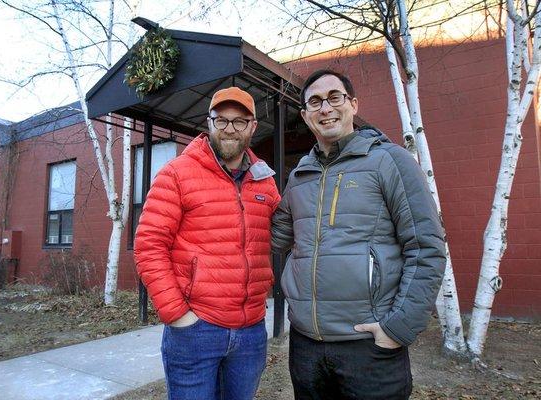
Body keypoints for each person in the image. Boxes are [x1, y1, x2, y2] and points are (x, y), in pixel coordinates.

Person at [271, 69, 446, 400]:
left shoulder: (391, 160)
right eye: (315, 102)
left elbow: (426, 247)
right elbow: (273, 237)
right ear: (306, 115)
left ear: (352, 104)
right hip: (306, 346)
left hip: (368, 346)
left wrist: (398, 327)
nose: (326, 108)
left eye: (334, 97)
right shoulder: (299, 176)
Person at [134, 86, 280, 400]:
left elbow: (287, 233)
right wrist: (177, 315)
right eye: (221, 120)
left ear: (253, 127)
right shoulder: (177, 174)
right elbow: (149, 244)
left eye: (239, 121)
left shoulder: (264, 181)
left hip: (251, 329)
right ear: (209, 123)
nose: (230, 128)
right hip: (196, 329)